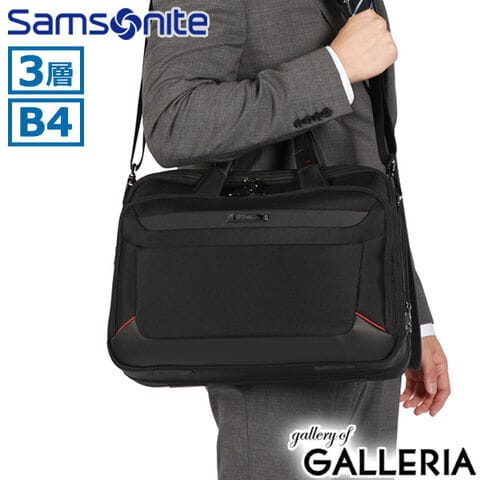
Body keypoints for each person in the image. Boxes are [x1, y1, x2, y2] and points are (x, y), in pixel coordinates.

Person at [142, 1, 451, 478]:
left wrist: (413, 319)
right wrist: (334, 69)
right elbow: (174, 122)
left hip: (372, 327)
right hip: (273, 323)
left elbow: (364, 168)